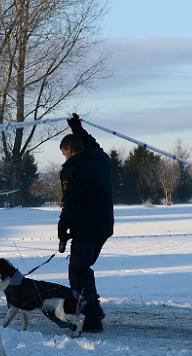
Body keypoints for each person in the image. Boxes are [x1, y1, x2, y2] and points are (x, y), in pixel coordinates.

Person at [58, 114, 113, 332]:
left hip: (85, 227)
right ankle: (91, 311)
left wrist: (62, 230)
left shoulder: (72, 170)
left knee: (78, 271)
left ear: (69, 150)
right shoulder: (101, 159)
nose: (64, 158)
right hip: (104, 226)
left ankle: (91, 317)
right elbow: (92, 144)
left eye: (64, 153)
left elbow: (71, 204)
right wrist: (77, 127)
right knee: (83, 268)